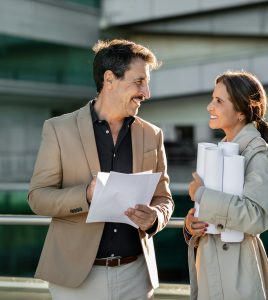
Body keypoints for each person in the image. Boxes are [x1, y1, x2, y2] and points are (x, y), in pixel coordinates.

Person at [28, 39, 174, 300]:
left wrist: (155, 218)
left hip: (136, 276)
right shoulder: (58, 129)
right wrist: (85, 195)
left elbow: (164, 199)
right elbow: (38, 198)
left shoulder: (153, 135)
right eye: (139, 82)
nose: (146, 92)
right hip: (76, 279)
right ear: (109, 79)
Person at [184, 70, 268, 300]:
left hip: (238, 273)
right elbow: (217, 211)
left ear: (241, 112)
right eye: (212, 99)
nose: (210, 107)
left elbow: (258, 216)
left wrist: (201, 193)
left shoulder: (258, 153)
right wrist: (193, 225)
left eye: (219, 101)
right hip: (211, 267)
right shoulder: (220, 150)